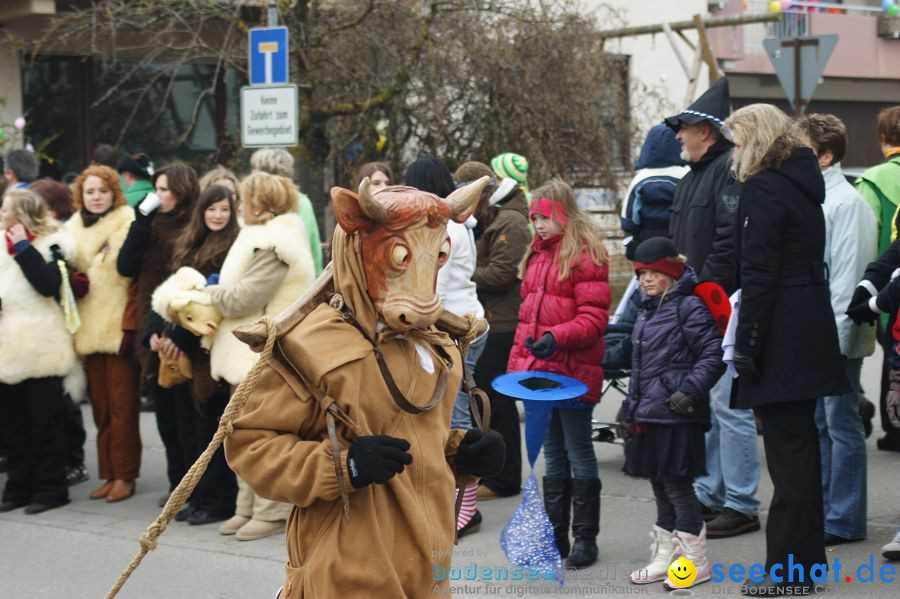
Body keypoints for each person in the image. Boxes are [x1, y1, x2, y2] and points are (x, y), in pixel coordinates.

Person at [223, 178, 501, 598]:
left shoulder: (437, 345)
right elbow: (251, 446)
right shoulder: (309, 346)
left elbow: (421, 444)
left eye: (437, 254)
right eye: (400, 256)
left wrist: (462, 454)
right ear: (361, 250)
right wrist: (344, 465)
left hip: (429, 569)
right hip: (347, 573)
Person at [727, 104, 847, 596]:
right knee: (802, 452)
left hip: (781, 333)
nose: (733, 151)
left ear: (754, 140)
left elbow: (759, 275)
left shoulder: (764, 187)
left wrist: (746, 347)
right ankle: (805, 567)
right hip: (808, 325)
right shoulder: (803, 184)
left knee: (789, 457)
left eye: (736, 141)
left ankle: (789, 574)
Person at [182, 172, 315, 541]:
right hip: (247, 352)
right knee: (241, 434)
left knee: (262, 436)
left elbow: (245, 297)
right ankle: (248, 506)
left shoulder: (276, 241)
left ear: (262, 203)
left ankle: (271, 510)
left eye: (243, 199)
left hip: (263, 354)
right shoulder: (262, 235)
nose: (238, 206)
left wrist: (210, 294)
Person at [665, 77, 760, 538]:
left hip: (718, 309)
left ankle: (741, 501)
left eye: (683, 127)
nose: (677, 135)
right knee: (706, 406)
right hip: (693, 308)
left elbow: (727, 243)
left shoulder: (728, 173)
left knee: (728, 407)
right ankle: (710, 492)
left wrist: (707, 298)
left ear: (705, 130)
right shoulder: (690, 178)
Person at [507, 178, 609, 569]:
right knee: (553, 454)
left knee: (578, 450)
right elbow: (525, 321)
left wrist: (556, 337)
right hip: (540, 374)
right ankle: (556, 537)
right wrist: (520, 367)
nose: (539, 224)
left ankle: (586, 539)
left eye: (545, 217)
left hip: (572, 370)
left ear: (563, 214)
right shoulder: (535, 256)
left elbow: (594, 318)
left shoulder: (586, 254)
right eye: (534, 217)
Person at [619, 237, 724, 590]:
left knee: (678, 487)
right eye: (642, 273)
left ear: (672, 273)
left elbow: (713, 353)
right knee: (660, 486)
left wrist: (688, 391)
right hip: (648, 412)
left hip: (677, 412)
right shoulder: (648, 309)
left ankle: (696, 562)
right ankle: (666, 555)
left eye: (655, 272)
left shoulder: (688, 307)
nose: (647, 279)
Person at [797, 114, 874, 546]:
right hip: (817, 333)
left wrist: (836, 340)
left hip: (837, 336)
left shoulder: (848, 204)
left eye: (804, 151)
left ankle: (843, 519)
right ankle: (828, 510)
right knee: (821, 424)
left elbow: (848, 278)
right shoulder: (816, 199)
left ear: (826, 156)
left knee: (840, 424)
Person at [404, 156, 489, 537]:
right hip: (464, 322)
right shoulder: (455, 225)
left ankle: (465, 507)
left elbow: (430, 287)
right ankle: (449, 499)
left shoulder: (444, 231)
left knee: (456, 419)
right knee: (451, 414)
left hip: (456, 329)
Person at [152, 184, 240, 525]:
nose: (217, 216)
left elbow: (211, 304)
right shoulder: (187, 244)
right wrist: (156, 333)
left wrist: (179, 336)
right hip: (180, 347)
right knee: (188, 427)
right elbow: (166, 294)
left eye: (224, 210)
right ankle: (198, 495)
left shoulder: (233, 246)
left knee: (210, 427)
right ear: (201, 212)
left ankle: (218, 500)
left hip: (211, 348)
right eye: (212, 209)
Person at [117, 163, 198, 507]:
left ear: (182, 191)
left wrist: (170, 329)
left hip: (181, 326)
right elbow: (125, 265)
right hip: (149, 323)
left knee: (187, 417)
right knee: (165, 416)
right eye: (158, 189)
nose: (160, 195)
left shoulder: (193, 224)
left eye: (167, 190)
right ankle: (175, 484)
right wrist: (140, 220)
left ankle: (193, 488)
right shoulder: (150, 222)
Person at [454, 161, 531, 500]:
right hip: (494, 319)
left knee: (498, 403)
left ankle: (505, 480)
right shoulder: (498, 218)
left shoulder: (511, 222)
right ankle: (497, 475)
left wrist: (461, 272)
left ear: (483, 193)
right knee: (491, 402)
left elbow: (501, 275)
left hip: (503, 323)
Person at [0, 189, 80, 514]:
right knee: (13, 423)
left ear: (21, 215)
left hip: (43, 344)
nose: (1, 214)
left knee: (44, 423)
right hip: (9, 347)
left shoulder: (54, 244)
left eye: (5, 209)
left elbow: (48, 285)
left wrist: (22, 247)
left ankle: (51, 488)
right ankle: (19, 485)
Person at [66, 164, 142, 503]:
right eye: (90, 191)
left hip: (117, 328)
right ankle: (108, 472)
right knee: (99, 409)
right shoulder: (70, 230)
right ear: (80, 195)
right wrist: (71, 281)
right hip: (87, 329)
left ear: (114, 193)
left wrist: (129, 326)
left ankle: (125, 475)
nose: (96, 197)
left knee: (123, 407)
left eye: (103, 191)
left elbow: (134, 282)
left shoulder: (126, 223)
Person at [29, 177, 87, 487]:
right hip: (35, 334)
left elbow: (63, 278)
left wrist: (72, 281)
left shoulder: (60, 237)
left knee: (66, 398)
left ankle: (74, 460)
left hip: (62, 327)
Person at [853, 106, 900, 451]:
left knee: (892, 356)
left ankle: (894, 426)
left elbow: (865, 237)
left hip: (887, 290)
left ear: (883, 137)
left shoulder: (873, 179)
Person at [250, 148, 323, 276]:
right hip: (302, 282)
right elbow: (314, 249)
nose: (251, 173)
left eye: (254, 169)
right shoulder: (302, 201)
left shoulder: (296, 202)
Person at [620, 124, 688, 260]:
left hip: (648, 237)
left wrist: (631, 233)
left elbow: (629, 215)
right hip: (680, 236)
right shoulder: (686, 174)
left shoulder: (641, 178)